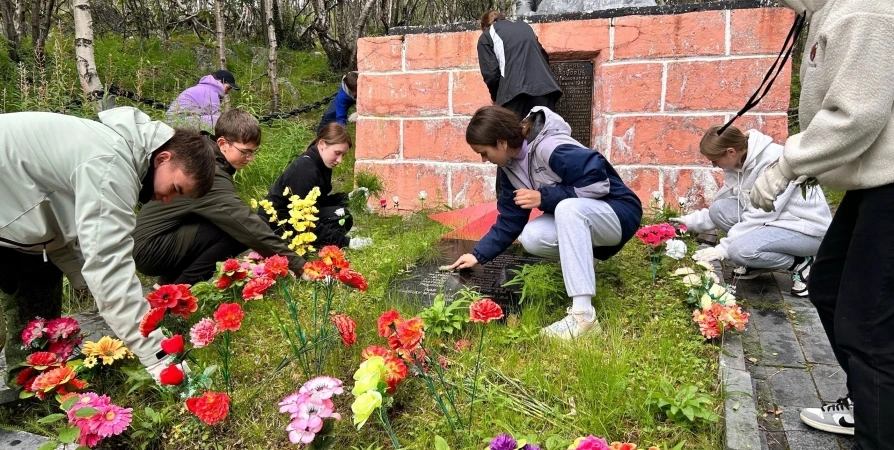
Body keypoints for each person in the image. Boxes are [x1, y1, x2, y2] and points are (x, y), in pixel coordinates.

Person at [747, 0, 894, 444]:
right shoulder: (828, 12)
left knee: (867, 322)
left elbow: (856, 115)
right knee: (829, 283)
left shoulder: (861, 11)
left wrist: (785, 166)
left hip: (889, 184)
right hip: (872, 184)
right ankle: (867, 399)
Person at [0, 107, 217, 383]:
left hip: (12, 215)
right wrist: (159, 359)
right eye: (175, 188)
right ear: (163, 158)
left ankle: (30, 387)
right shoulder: (111, 166)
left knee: (38, 275)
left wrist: (84, 282)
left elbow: (62, 218)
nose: (166, 199)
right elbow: (109, 268)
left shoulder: (110, 147)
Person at [447, 106, 642, 340]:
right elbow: (510, 219)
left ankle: (584, 318)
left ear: (501, 142)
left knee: (567, 209)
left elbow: (598, 183)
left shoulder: (550, 147)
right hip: (588, 216)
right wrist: (478, 255)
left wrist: (544, 197)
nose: (484, 160)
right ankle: (586, 262)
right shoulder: (507, 169)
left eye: (485, 152)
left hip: (619, 211)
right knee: (532, 236)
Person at [132, 110, 306, 286]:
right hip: (149, 250)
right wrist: (301, 267)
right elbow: (246, 224)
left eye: (254, 152)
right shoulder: (207, 172)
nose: (250, 158)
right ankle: (178, 292)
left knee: (227, 224)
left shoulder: (202, 157)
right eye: (245, 152)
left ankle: (167, 284)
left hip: (151, 242)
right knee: (236, 229)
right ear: (222, 143)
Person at [672, 125, 831, 297]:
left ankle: (801, 263)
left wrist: (722, 250)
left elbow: (759, 215)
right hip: (777, 221)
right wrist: (687, 223)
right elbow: (731, 204)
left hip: (806, 231)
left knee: (739, 251)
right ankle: (758, 262)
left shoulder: (773, 163)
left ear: (731, 151)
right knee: (720, 210)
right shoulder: (737, 165)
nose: (713, 165)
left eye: (715, 160)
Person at [478, 10, 562, 195]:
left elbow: (491, 74)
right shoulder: (525, 27)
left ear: (485, 26)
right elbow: (544, 56)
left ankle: (506, 197)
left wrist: (496, 98)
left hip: (513, 94)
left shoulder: (487, 35)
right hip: (545, 91)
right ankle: (549, 194)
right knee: (544, 141)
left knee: (506, 144)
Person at [259, 123, 372, 250]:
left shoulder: (322, 164)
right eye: (337, 153)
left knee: (343, 217)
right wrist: (347, 242)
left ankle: (325, 242)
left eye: (343, 155)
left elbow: (318, 203)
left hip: (295, 220)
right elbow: (306, 219)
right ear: (322, 144)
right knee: (339, 216)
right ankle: (313, 246)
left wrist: (349, 198)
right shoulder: (305, 170)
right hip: (279, 229)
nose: (339, 160)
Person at [167, 69, 240, 129]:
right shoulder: (211, 93)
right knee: (218, 121)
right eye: (228, 88)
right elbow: (214, 120)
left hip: (174, 121)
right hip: (177, 123)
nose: (228, 92)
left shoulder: (203, 88)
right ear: (220, 82)